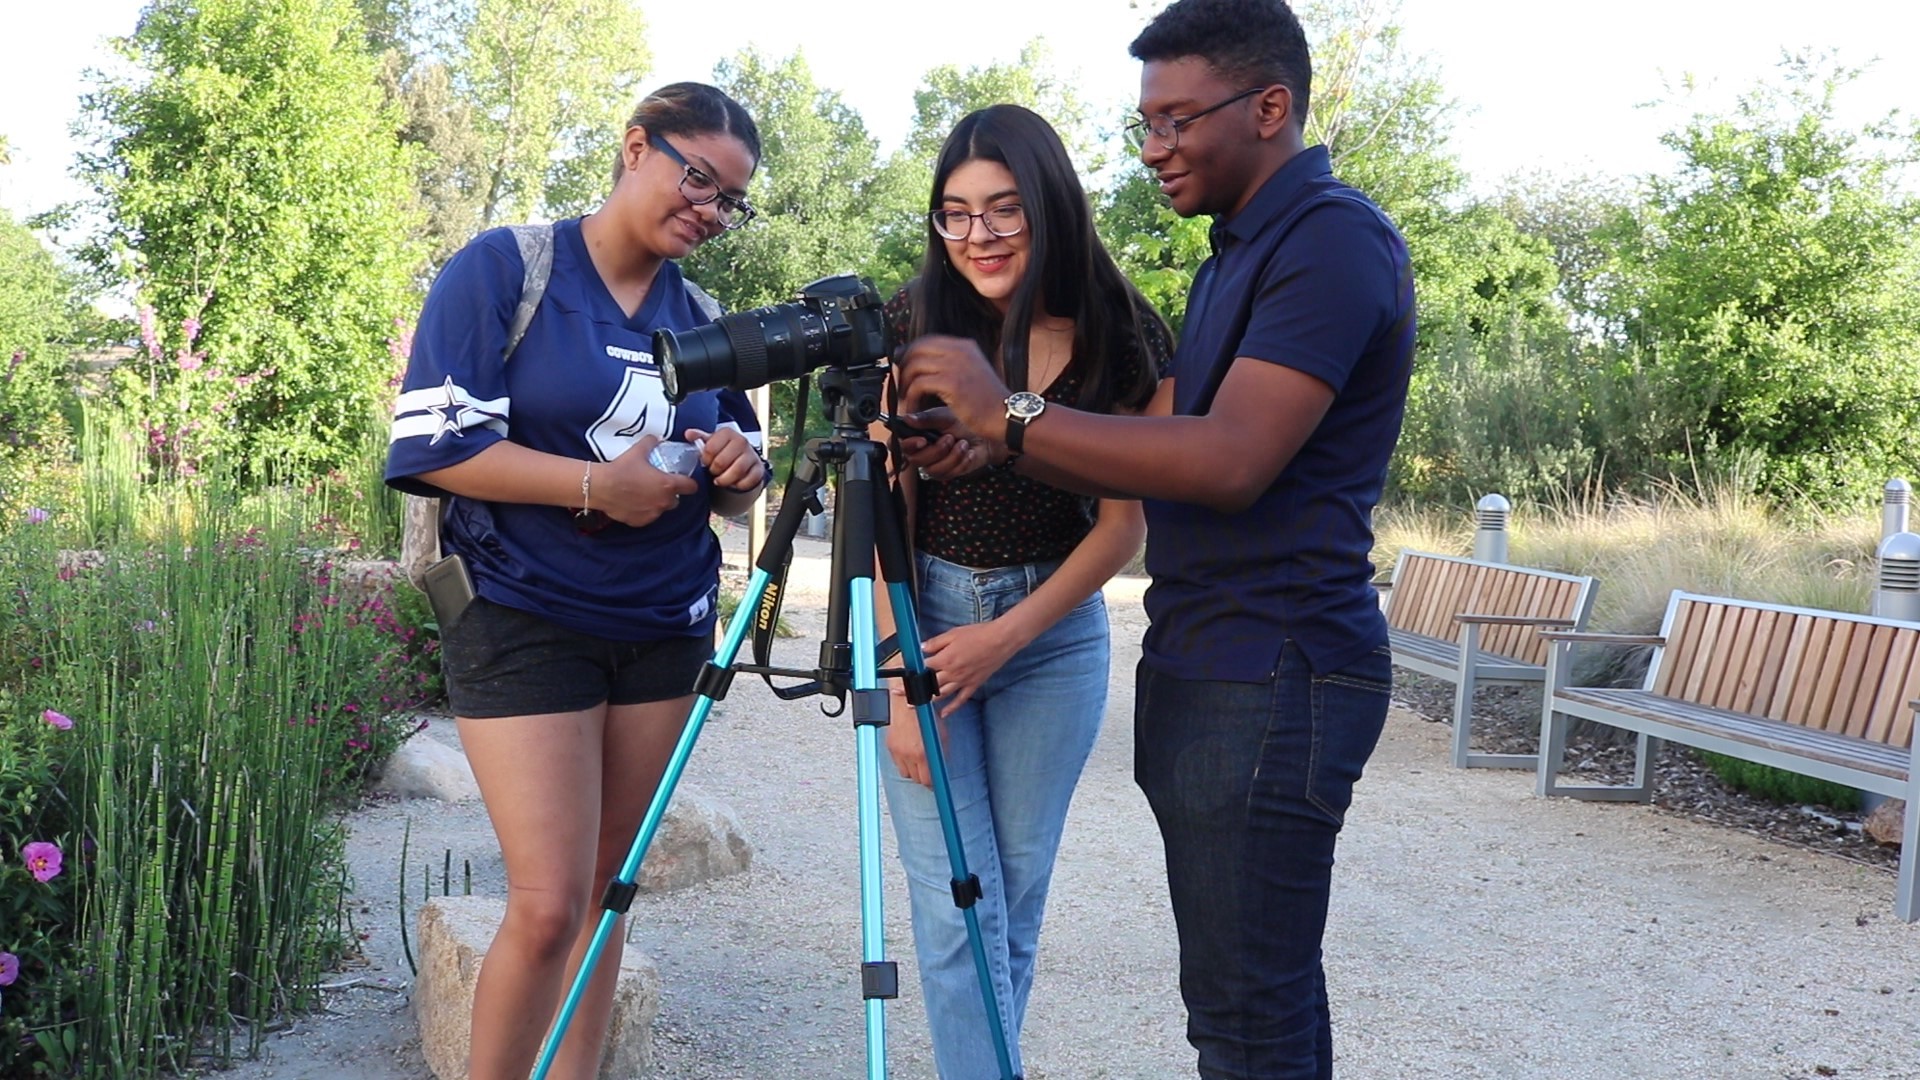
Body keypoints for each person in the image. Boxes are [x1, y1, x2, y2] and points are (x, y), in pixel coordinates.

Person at [896, 2, 1417, 1077]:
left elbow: (1227, 460)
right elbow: (1152, 457)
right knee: (1239, 1000)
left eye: (1177, 120)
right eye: (1145, 124)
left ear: (1269, 107)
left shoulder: (1330, 241)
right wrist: (990, 446)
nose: (1153, 148)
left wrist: (1010, 416)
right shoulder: (1235, 256)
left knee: (1247, 1014)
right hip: (1210, 661)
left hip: (1273, 667)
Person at [384, 82, 769, 1080]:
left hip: (665, 626)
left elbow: (736, 481)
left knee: (606, 900)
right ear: (637, 147)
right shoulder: (507, 270)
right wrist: (598, 485)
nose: (712, 210)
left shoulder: (704, 319)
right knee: (549, 903)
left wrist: (738, 472)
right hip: (522, 615)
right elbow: (436, 450)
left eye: (731, 199)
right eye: (699, 179)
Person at [871, 104, 1170, 1080]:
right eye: (955, 213)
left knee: (1014, 895)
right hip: (925, 622)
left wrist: (1004, 638)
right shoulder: (914, 322)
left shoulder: (1124, 335)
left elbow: (1122, 527)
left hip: (1054, 634)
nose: (978, 236)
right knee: (955, 899)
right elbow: (884, 512)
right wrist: (902, 681)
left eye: (1003, 209)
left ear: (1048, 205)